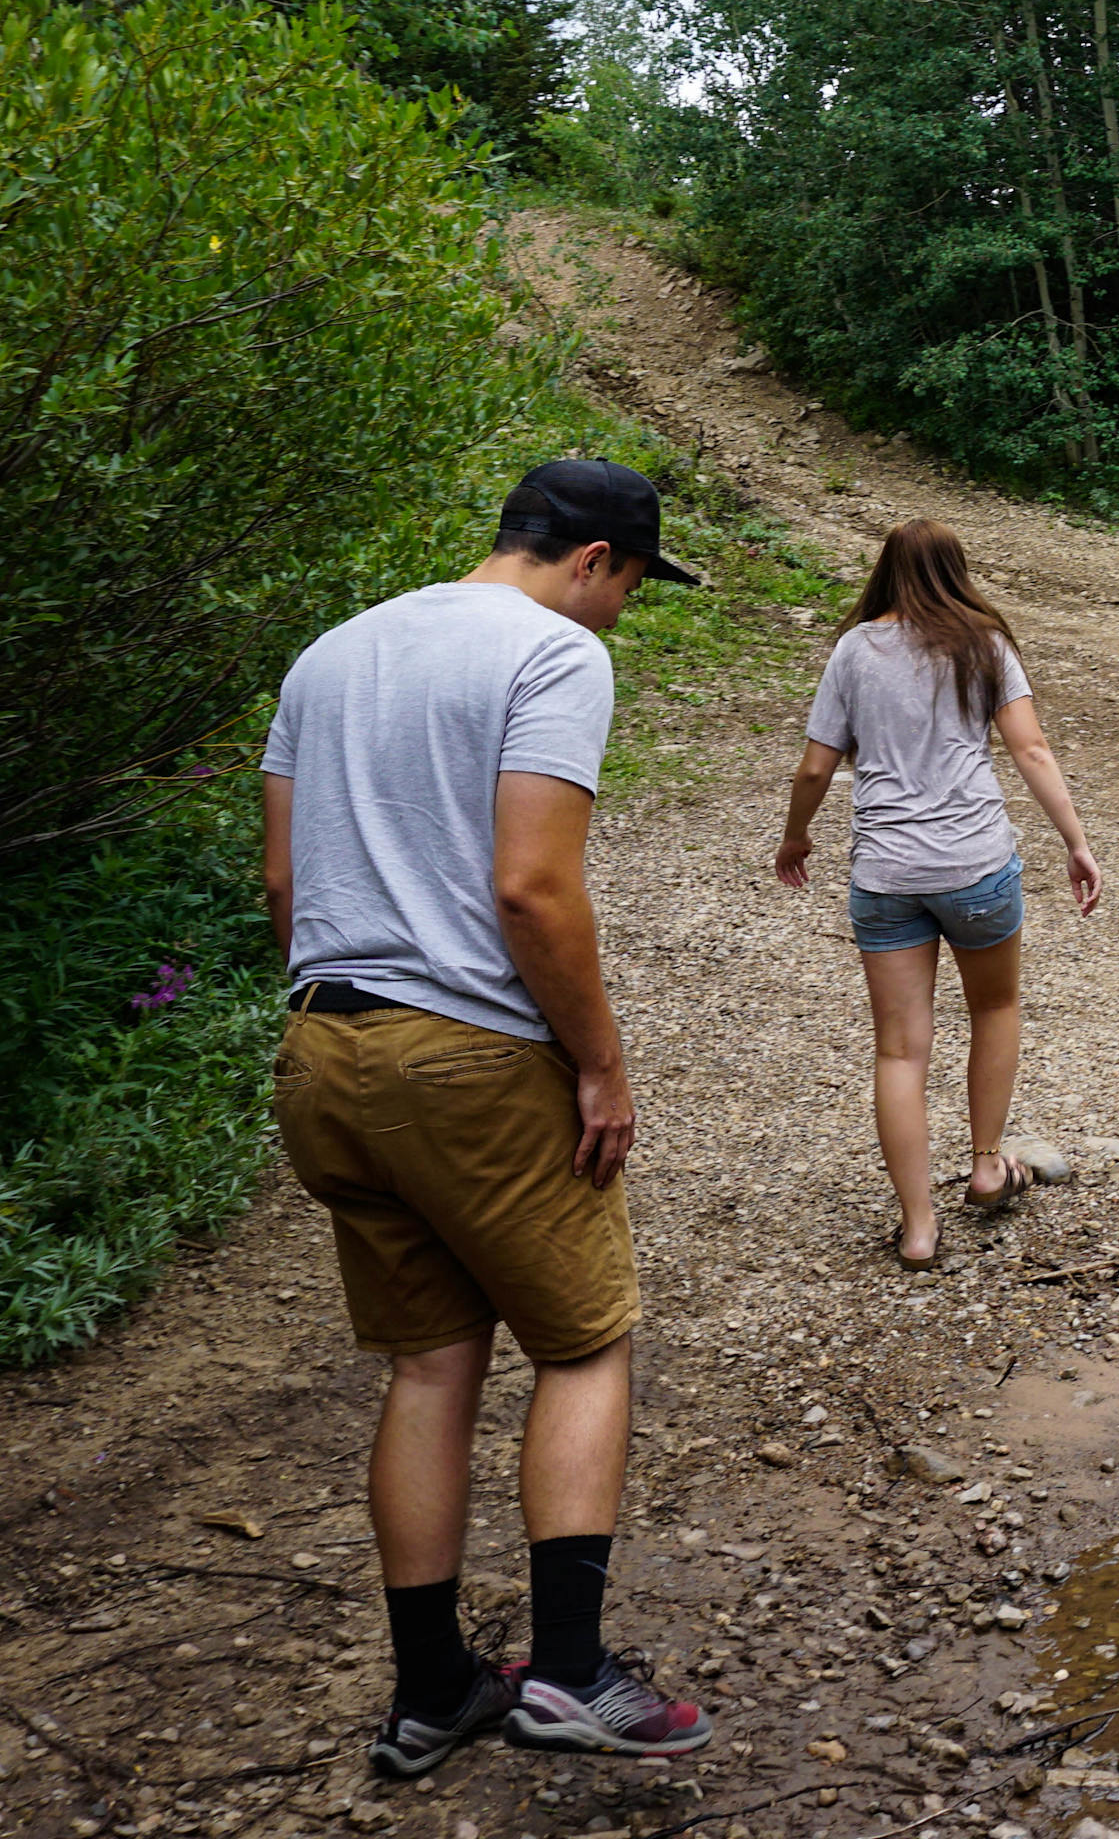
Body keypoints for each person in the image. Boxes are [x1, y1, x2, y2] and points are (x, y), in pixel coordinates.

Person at [262, 458, 714, 1780]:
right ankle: (570, 1675)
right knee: (584, 1342)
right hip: (467, 1056)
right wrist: (600, 1066)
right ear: (594, 560)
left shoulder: (328, 656)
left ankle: (432, 1691)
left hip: (323, 1051)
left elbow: (285, 885)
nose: (624, 611)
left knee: (431, 1360)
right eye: (631, 586)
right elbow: (532, 891)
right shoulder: (552, 656)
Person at [773, 518, 1102, 1265]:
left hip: (886, 876)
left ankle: (919, 1228)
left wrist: (796, 836)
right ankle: (987, 1168)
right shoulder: (984, 641)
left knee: (899, 1051)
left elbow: (816, 769)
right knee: (995, 1007)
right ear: (956, 571)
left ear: (887, 571)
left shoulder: (855, 651)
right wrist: (1076, 843)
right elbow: (1031, 749)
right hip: (976, 866)